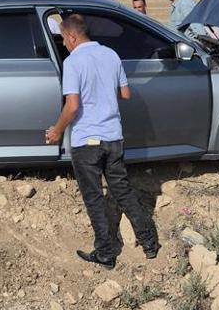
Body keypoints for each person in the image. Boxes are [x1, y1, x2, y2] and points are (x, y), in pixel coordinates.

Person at [45, 14, 160, 269]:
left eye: (63, 39)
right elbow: (126, 94)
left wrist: (56, 131)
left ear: (72, 37)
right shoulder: (111, 55)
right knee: (123, 190)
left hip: (86, 141)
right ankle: (149, 242)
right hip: (113, 137)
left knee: (94, 198)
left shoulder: (73, 62)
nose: (63, 44)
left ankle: (105, 253)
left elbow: (72, 105)